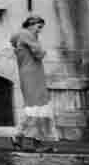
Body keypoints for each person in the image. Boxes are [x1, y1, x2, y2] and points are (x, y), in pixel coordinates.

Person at [11, 13, 56, 151]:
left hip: (30, 74)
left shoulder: (20, 36)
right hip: (33, 75)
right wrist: (43, 51)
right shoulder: (26, 35)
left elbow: (15, 42)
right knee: (36, 108)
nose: (39, 30)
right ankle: (21, 137)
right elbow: (39, 53)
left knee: (37, 108)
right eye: (39, 27)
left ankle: (31, 141)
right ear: (31, 25)